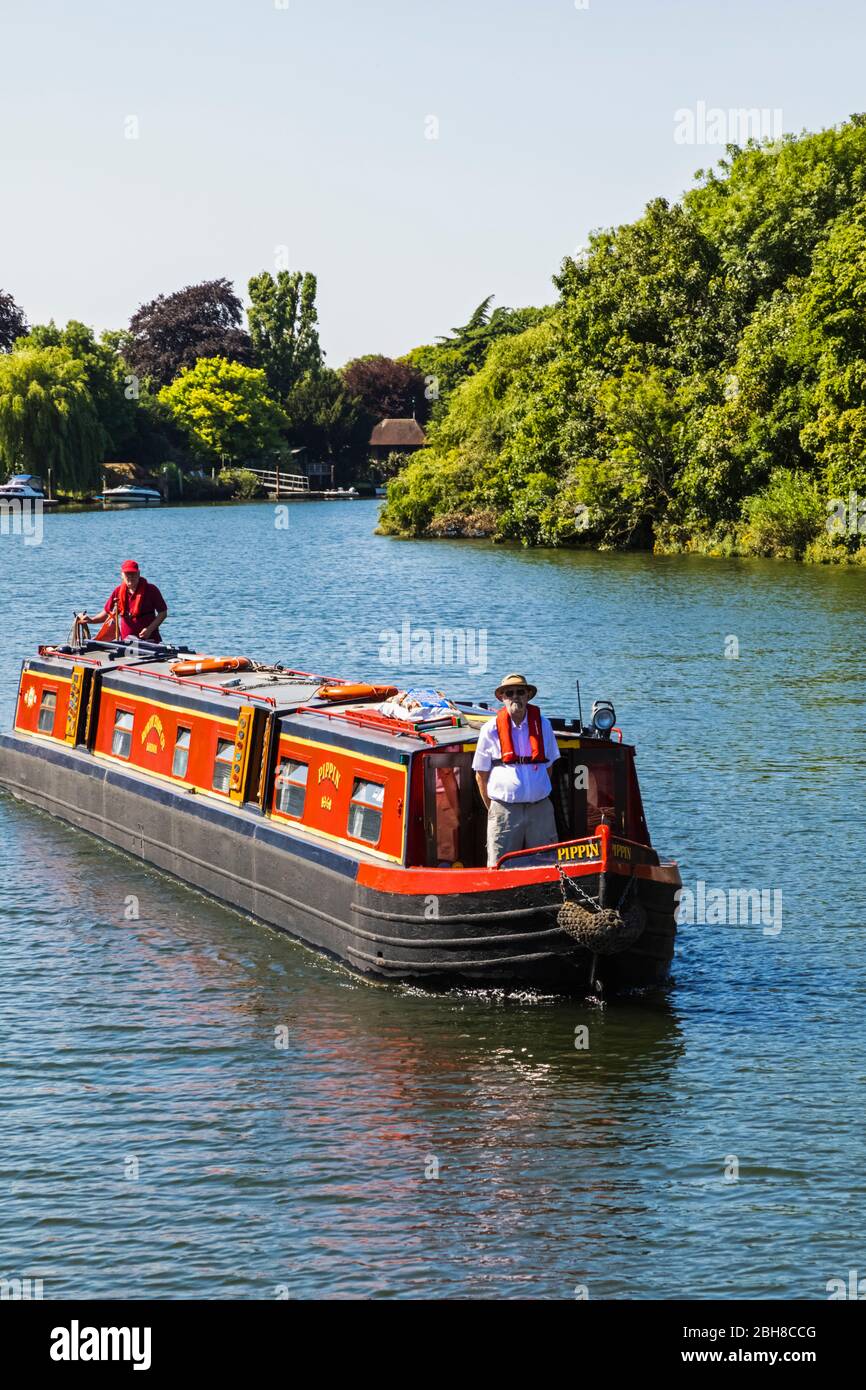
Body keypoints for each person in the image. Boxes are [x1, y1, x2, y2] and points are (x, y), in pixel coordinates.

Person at [472, 673, 561, 868]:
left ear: (528, 695)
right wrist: (494, 808)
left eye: (520, 692)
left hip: (540, 809)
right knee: (501, 866)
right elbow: (480, 774)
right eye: (509, 693)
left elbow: (550, 767)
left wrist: (537, 791)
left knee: (546, 863)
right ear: (502, 698)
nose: (515, 697)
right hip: (504, 810)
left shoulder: (543, 725)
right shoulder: (490, 729)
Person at [80, 560, 168, 642]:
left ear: (138, 573)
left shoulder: (151, 590)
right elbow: (107, 613)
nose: (130, 577)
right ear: (122, 575)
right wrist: (91, 620)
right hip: (126, 643)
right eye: (127, 574)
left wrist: (149, 629)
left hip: (150, 641)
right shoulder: (118, 592)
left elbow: (163, 613)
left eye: (133, 573)